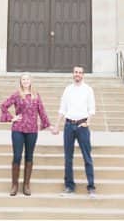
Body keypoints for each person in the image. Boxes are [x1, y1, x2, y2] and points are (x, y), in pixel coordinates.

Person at [0, 73, 50, 196]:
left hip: (32, 130)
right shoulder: (17, 94)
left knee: (29, 156)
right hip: (18, 129)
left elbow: (41, 111)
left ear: (31, 81)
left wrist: (48, 124)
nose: (25, 81)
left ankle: (26, 185)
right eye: (23, 79)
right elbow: (3, 105)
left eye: (27, 79)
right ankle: (14, 185)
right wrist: (12, 118)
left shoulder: (36, 95)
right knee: (17, 156)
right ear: (20, 82)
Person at [50, 65, 97, 197]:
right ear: (73, 74)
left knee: (87, 157)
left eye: (80, 72)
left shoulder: (88, 90)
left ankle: (91, 186)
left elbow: (91, 108)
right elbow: (62, 109)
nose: (77, 74)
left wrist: (88, 122)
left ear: (83, 75)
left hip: (82, 126)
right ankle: (69, 186)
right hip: (69, 126)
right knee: (68, 158)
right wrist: (57, 125)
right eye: (76, 72)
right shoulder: (68, 89)